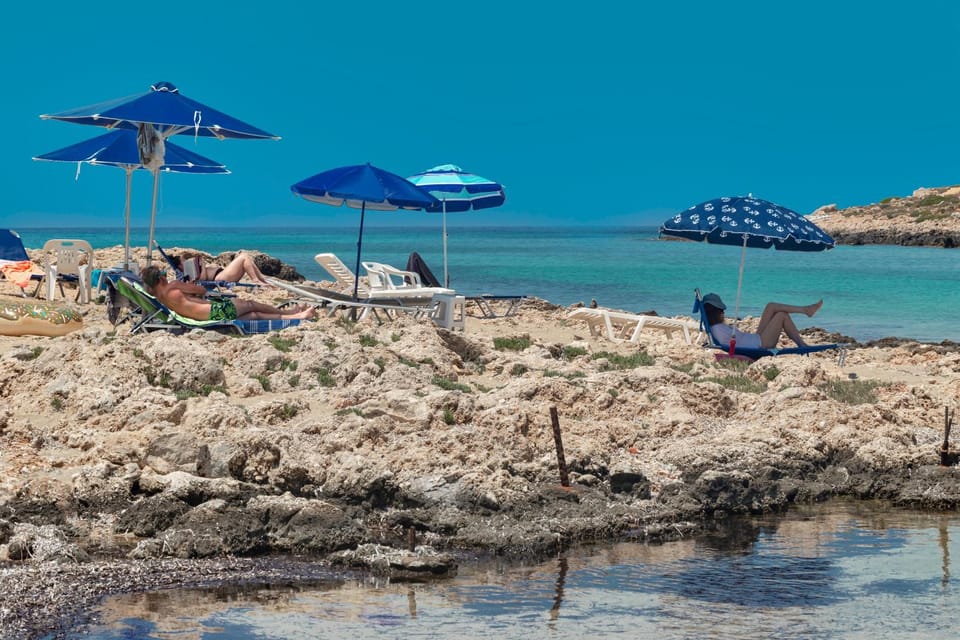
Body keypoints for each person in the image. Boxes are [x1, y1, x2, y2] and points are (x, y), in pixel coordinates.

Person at [140, 266, 316, 321]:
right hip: (215, 312)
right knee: (250, 304)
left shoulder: (159, 295)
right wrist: (191, 286)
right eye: (163, 274)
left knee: (254, 315)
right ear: (161, 278)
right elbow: (202, 290)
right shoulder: (174, 286)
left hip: (200, 318)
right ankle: (290, 313)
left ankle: (297, 316)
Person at [702, 292, 822, 349]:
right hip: (761, 344)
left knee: (771, 306)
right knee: (781, 315)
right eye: (720, 310)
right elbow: (733, 346)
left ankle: (805, 310)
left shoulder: (716, 327)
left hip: (755, 339)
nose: (723, 312)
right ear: (714, 313)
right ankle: (802, 344)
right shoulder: (718, 329)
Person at [171, 251, 273, 286]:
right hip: (219, 278)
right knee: (244, 256)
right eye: (183, 261)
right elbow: (202, 279)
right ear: (180, 266)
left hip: (222, 274)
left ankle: (262, 279)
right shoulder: (187, 274)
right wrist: (203, 265)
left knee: (245, 257)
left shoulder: (189, 270)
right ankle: (256, 280)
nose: (186, 261)